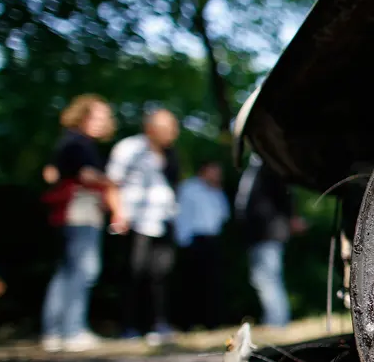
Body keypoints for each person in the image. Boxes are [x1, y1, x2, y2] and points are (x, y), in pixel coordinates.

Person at [40, 94, 124, 352]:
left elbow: (51, 174)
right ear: (82, 116)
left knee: (66, 272)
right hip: (80, 213)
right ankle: (72, 330)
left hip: (68, 215)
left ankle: (54, 333)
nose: (101, 122)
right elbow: (88, 176)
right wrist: (111, 183)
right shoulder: (79, 144)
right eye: (96, 117)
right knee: (82, 272)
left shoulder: (67, 142)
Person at [106, 109, 180, 345]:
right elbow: (112, 181)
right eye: (167, 127)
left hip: (163, 219)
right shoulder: (129, 148)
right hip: (136, 220)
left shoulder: (170, 154)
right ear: (151, 128)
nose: (172, 133)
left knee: (160, 274)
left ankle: (157, 324)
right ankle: (129, 325)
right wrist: (118, 212)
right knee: (133, 273)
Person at [236, 153, 305, 327]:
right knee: (262, 278)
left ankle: (277, 320)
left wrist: (291, 218)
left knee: (268, 278)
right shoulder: (256, 169)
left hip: (269, 232)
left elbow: (286, 195)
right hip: (257, 234)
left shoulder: (270, 167)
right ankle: (275, 318)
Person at [173, 159, 230, 329]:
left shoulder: (217, 191)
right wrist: (183, 241)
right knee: (191, 283)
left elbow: (224, 215)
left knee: (212, 283)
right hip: (193, 240)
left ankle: (211, 321)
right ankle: (187, 322)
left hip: (212, 239)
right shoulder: (189, 189)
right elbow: (181, 216)